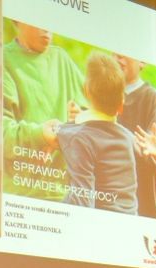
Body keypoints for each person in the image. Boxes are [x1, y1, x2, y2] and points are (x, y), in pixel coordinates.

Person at [2, 21, 85, 201]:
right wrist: (40, 135)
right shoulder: (3, 59)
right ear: (18, 20)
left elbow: (98, 113)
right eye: (39, 20)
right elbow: (0, 135)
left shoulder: (62, 59)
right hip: (21, 198)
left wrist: (82, 118)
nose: (47, 28)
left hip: (65, 196)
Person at [54, 52, 138, 213]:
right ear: (121, 104)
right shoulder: (129, 138)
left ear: (86, 91)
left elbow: (81, 202)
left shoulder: (76, 138)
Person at [114, 53, 156, 219]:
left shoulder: (151, 98)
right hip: (111, 202)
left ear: (142, 61)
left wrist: (149, 150)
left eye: (125, 52)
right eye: (114, 53)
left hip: (143, 207)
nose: (118, 57)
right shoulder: (105, 94)